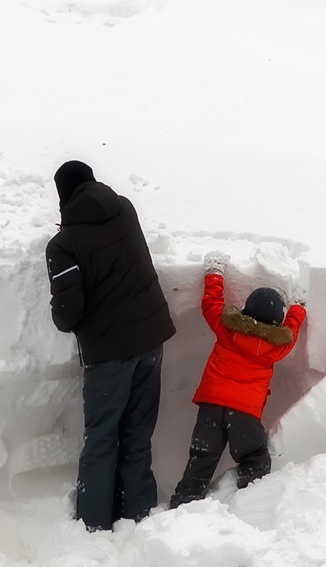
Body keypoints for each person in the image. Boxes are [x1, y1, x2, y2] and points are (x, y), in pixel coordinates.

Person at [45, 161, 177, 531]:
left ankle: (93, 525)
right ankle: (138, 515)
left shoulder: (63, 245)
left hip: (109, 355)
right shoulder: (124, 208)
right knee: (137, 435)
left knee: (101, 439)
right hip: (151, 341)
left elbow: (68, 314)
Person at [168, 258, 307, 507]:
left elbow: (211, 304)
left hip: (211, 407)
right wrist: (298, 307)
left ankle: (183, 504)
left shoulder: (226, 328)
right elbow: (292, 332)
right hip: (244, 415)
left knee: (201, 459)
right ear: (277, 323)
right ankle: (245, 504)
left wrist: (214, 273)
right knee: (255, 459)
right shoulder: (276, 347)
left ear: (245, 309)